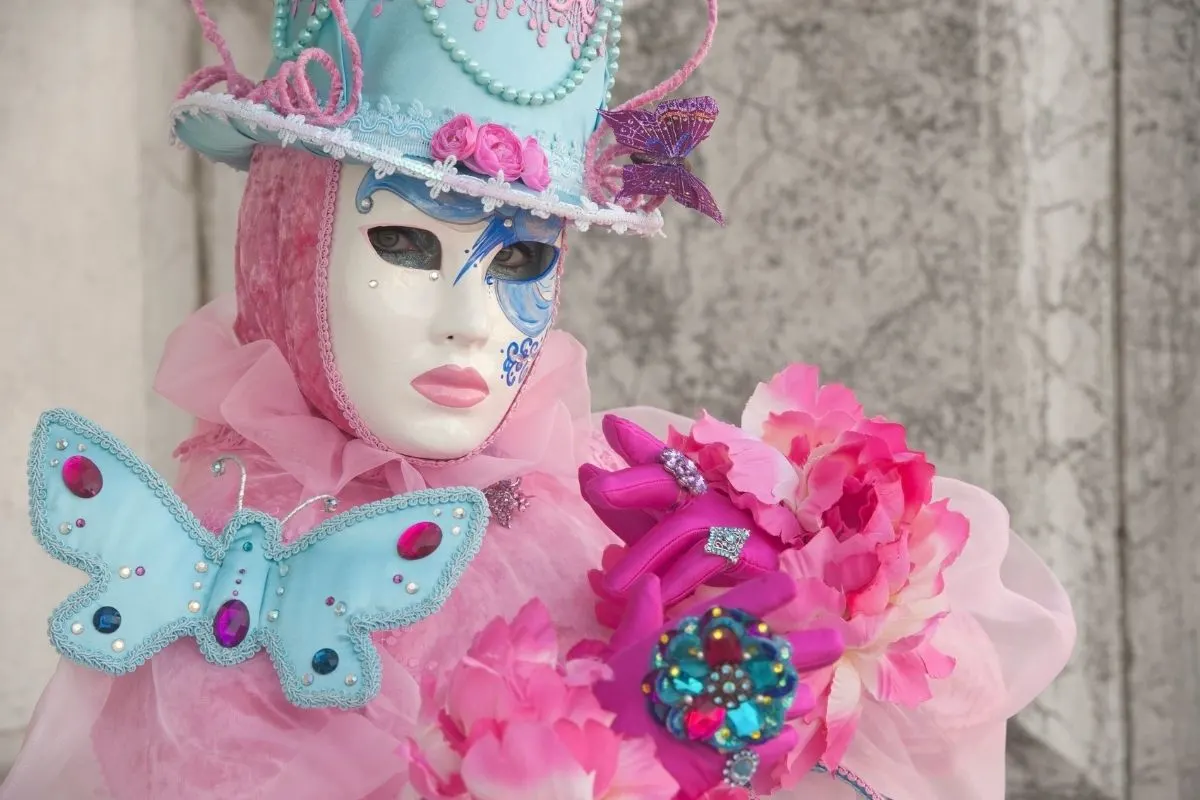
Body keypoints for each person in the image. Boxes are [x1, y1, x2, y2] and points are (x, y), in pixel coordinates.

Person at [1, 1, 1073, 798]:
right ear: (292, 241)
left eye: (519, 255)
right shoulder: (214, 617)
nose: (470, 321)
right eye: (408, 243)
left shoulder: (611, 532)